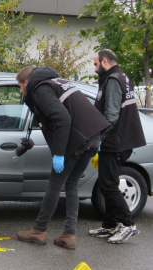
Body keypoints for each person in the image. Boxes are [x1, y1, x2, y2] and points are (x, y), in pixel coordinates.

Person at [16, 66, 109, 250]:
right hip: (92, 138)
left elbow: (62, 118)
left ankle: (39, 230)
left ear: (27, 81)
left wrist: (59, 153)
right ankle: (69, 234)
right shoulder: (58, 82)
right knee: (72, 184)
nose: (20, 91)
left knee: (55, 185)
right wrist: (96, 139)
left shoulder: (40, 89)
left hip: (77, 140)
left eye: (20, 86)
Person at [88, 49, 146, 244]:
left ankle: (127, 225)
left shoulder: (113, 80)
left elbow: (111, 116)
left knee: (109, 184)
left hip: (115, 142)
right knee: (108, 182)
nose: (95, 69)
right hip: (120, 140)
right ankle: (110, 225)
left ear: (105, 61)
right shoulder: (121, 76)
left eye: (96, 64)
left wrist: (99, 138)